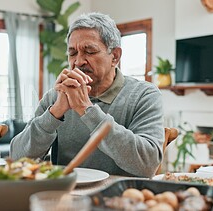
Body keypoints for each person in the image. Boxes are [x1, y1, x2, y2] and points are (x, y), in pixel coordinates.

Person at [10, 12, 164, 178]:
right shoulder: (56, 97)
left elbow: (148, 164)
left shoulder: (144, 95)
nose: (78, 61)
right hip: (64, 195)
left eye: (89, 51)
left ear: (115, 57)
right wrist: (54, 113)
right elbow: (17, 159)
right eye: (72, 53)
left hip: (119, 197)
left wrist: (86, 109)